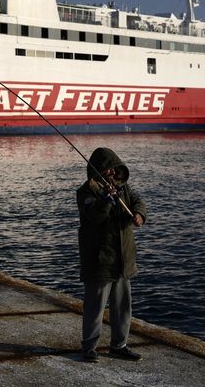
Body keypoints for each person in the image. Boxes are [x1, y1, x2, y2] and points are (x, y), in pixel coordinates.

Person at [77, 147, 147, 362]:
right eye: (107, 169)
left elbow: (138, 201)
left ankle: (119, 345)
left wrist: (139, 214)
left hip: (123, 260)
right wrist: (106, 199)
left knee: (123, 306)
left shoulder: (123, 188)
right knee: (95, 307)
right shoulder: (86, 192)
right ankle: (89, 347)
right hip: (100, 260)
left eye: (114, 168)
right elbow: (94, 216)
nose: (112, 173)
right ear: (97, 170)